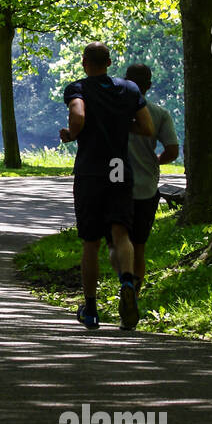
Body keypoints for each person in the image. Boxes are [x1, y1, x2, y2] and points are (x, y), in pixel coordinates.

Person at [60, 42, 154, 330]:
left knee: (91, 242)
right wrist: (120, 125)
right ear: (110, 62)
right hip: (118, 169)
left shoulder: (77, 88)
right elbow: (147, 128)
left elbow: (78, 115)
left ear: (85, 62)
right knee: (120, 232)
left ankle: (90, 309)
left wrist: (71, 135)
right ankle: (127, 280)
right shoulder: (129, 89)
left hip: (91, 170)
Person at [110, 64, 180, 293]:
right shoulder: (159, 113)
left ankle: (124, 280)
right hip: (146, 185)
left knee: (117, 240)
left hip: (116, 180)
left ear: (125, 81)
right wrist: (155, 161)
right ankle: (134, 294)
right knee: (138, 245)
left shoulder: (113, 109)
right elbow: (172, 150)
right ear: (148, 86)